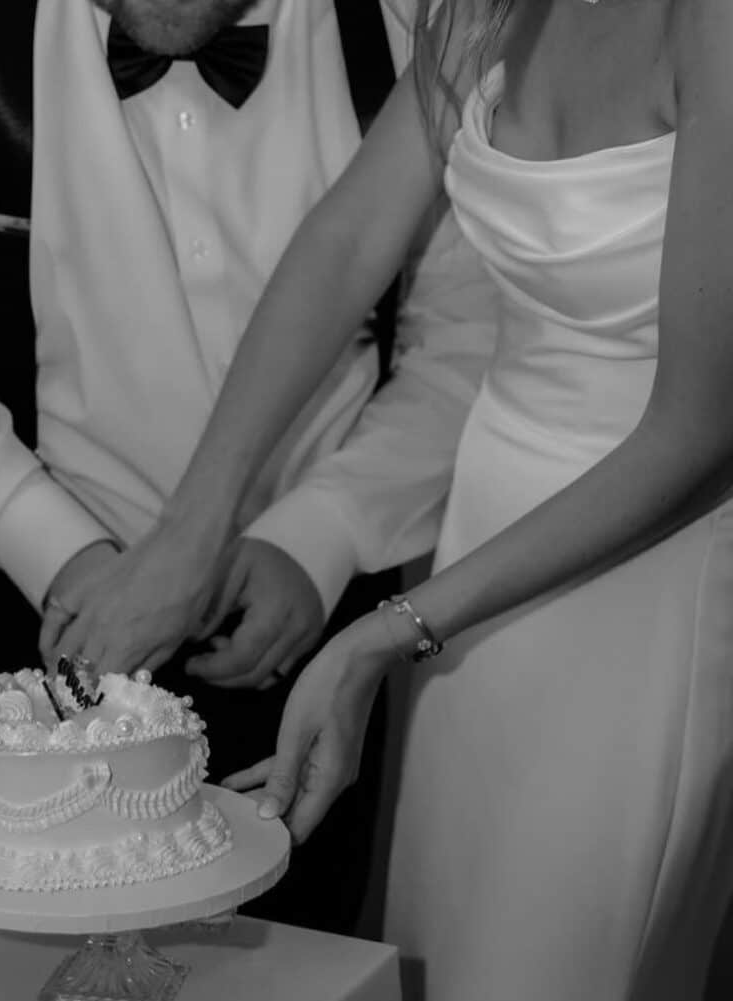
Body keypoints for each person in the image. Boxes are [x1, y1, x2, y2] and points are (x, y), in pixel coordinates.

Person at [0, 0, 498, 935]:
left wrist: (323, 532)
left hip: (301, 644)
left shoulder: (418, 24)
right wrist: (54, 547)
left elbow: (469, 336)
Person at [69, 0, 733, 997]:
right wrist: (191, 526)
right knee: (444, 948)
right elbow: (344, 243)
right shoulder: (480, 6)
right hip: (481, 561)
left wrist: (391, 628)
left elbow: (697, 431)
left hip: (643, 577)